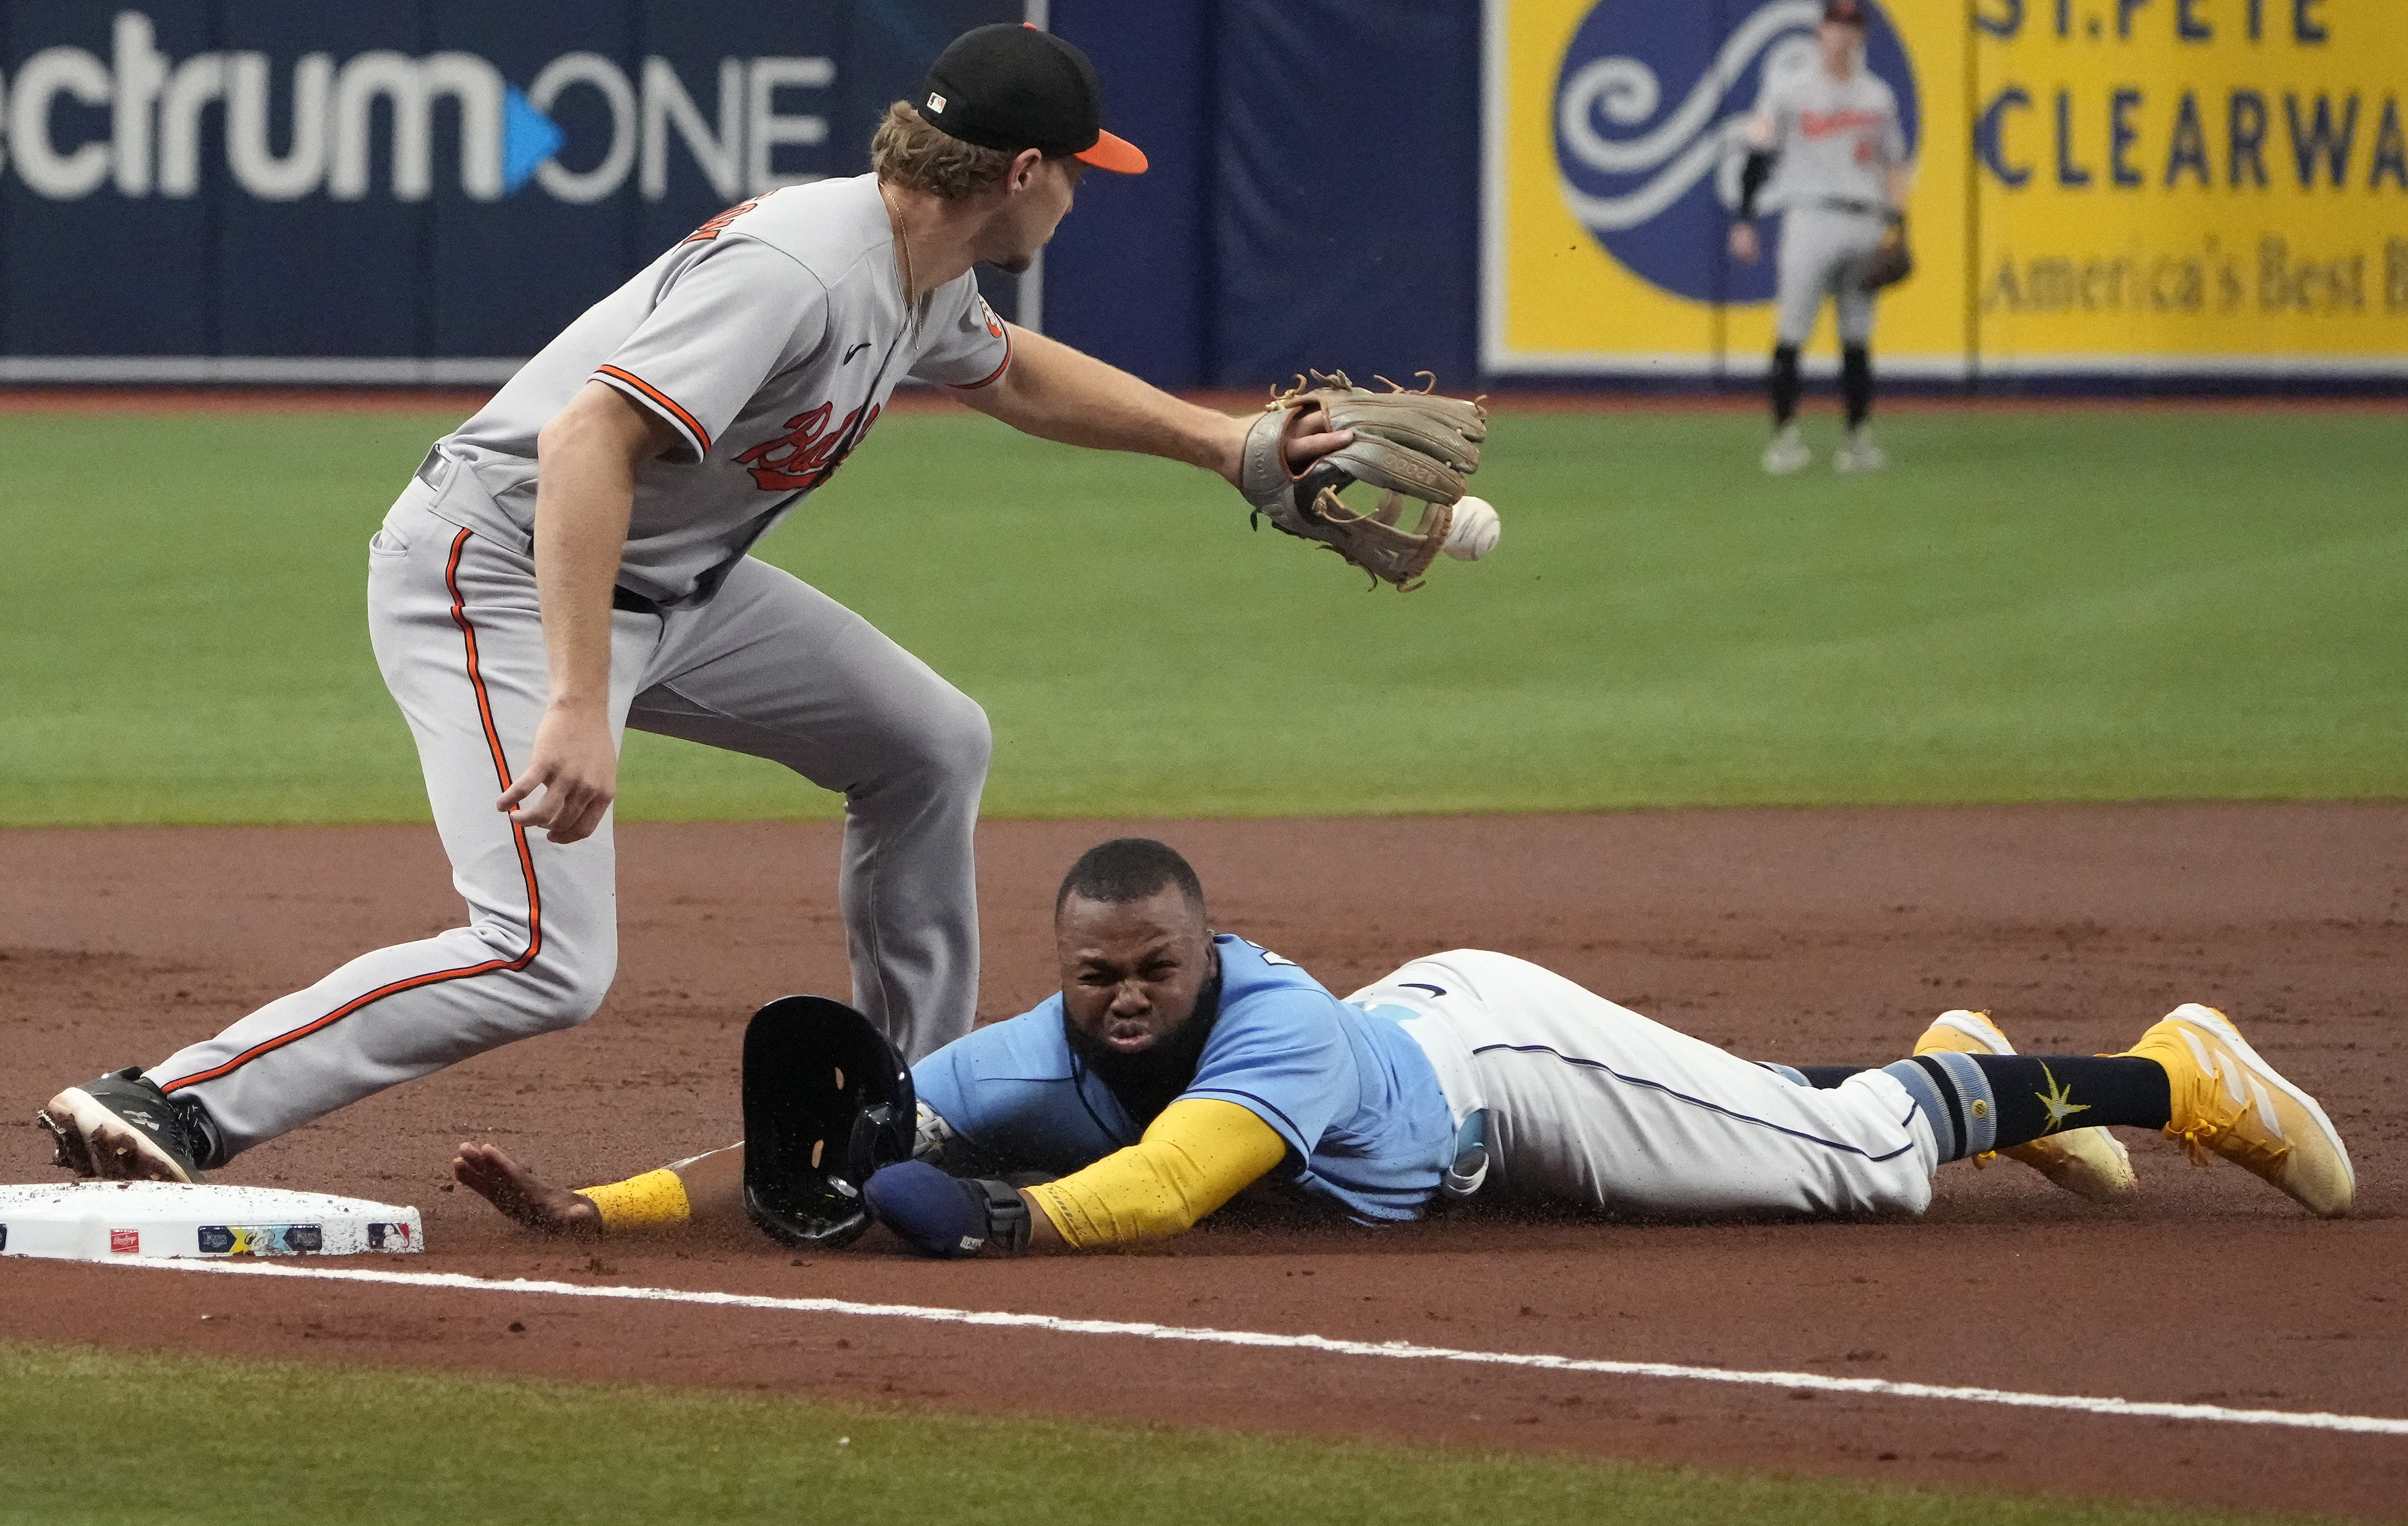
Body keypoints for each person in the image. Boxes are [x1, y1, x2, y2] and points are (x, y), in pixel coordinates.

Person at [37, 25, 1356, 1186]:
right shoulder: (802, 270)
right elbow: (581, 446)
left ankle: (909, 1103)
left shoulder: (915, 266)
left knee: (928, 742)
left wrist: (1223, 446)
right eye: (1075, 170)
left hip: (668, 588)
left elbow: (1010, 375)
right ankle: (177, 1099)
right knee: (544, 954)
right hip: (495, 572)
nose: (1078, 195)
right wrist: (575, 703)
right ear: (1020, 173)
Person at [454, 839, 2355, 1252]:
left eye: (1154, 963)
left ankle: (2173, 1070)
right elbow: (847, 1130)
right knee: (1819, 1127)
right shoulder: (1048, 1034)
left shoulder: (1262, 1028)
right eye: (1099, 970)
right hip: (1450, 1108)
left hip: (1498, 1061)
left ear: (1207, 950)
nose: (1124, 995)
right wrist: (598, 1202)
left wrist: (1012, 1227)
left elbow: (1169, 1177)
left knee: (1854, 1161)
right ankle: (1951, 1055)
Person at [1728, 0, 1911, 477]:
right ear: (1821, 32)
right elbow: (1758, 156)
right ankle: (1786, 437)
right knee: (1792, 331)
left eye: (1852, 26)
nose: (1843, 34)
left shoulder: (1878, 96)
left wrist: (1899, 224)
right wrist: (1745, 219)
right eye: (1835, 24)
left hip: (1865, 219)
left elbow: (1894, 165)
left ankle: (1858, 439)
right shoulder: (1790, 91)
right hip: (1809, 216)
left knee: (1857, 337)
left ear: (1862, 36)